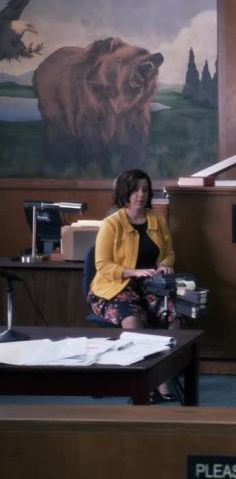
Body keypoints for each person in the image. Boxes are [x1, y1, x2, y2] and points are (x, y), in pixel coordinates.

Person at [87, 168, 178, 402]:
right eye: (135, 190)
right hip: (114, 287)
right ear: (124, 193)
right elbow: (102, 265)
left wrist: (165, 264)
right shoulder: (111, 223)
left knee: (172, 316)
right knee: (132, 321)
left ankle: (163, 378)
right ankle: (142, 382)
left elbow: (169, 252)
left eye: (145, 190)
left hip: (150, 285)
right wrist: (133, 272)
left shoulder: (156, 219)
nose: (140, 194)